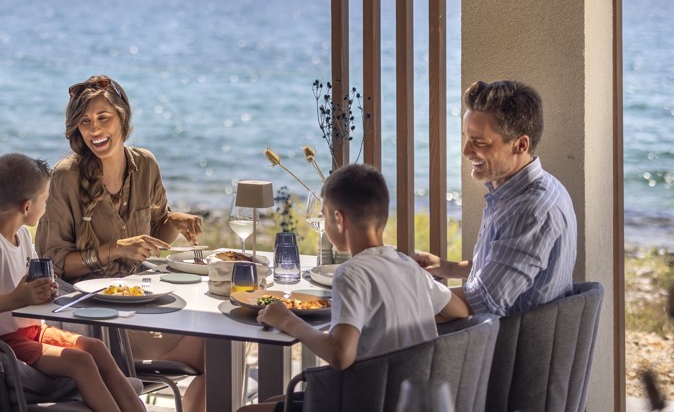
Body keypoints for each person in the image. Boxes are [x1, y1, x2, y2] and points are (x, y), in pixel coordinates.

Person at [35, 74, 207, 412]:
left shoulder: (146, 164)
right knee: (217, 351)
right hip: (93, 317)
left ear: (122, 119)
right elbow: (53, 264)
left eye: (104, 118)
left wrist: (173, 222)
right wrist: (113, 249)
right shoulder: (66, 177)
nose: (95, 130)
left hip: (142, 301)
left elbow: (152, 239)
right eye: (85, 122)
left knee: (225, 347)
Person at [239, 164, 469, 412]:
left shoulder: (350, 273)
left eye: (325, 215)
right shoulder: (407, 265)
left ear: (338, 219)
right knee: (274, 402)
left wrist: (286, 319)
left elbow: (340, 354)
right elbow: (459, 311)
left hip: (364, 401)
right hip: (407, 398)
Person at [0, 153, 147, 412]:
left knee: (95, 348)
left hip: (32, 331)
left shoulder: (21, 235)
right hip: (4, 342)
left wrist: (40, 291)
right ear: (27, 207)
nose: (47, 204)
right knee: (81, 361)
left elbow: (25, 285)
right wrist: (16, 299)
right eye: (45, 199)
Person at [413, 79, 578, 317]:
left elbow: (480, 304)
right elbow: (504, 266)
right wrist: (447, 268)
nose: (466, 151)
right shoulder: (537, 188)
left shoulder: (530, 210)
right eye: (466, 138)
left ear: (520, 145)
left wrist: (405, 297)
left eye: (479, 142)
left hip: (504, 338)